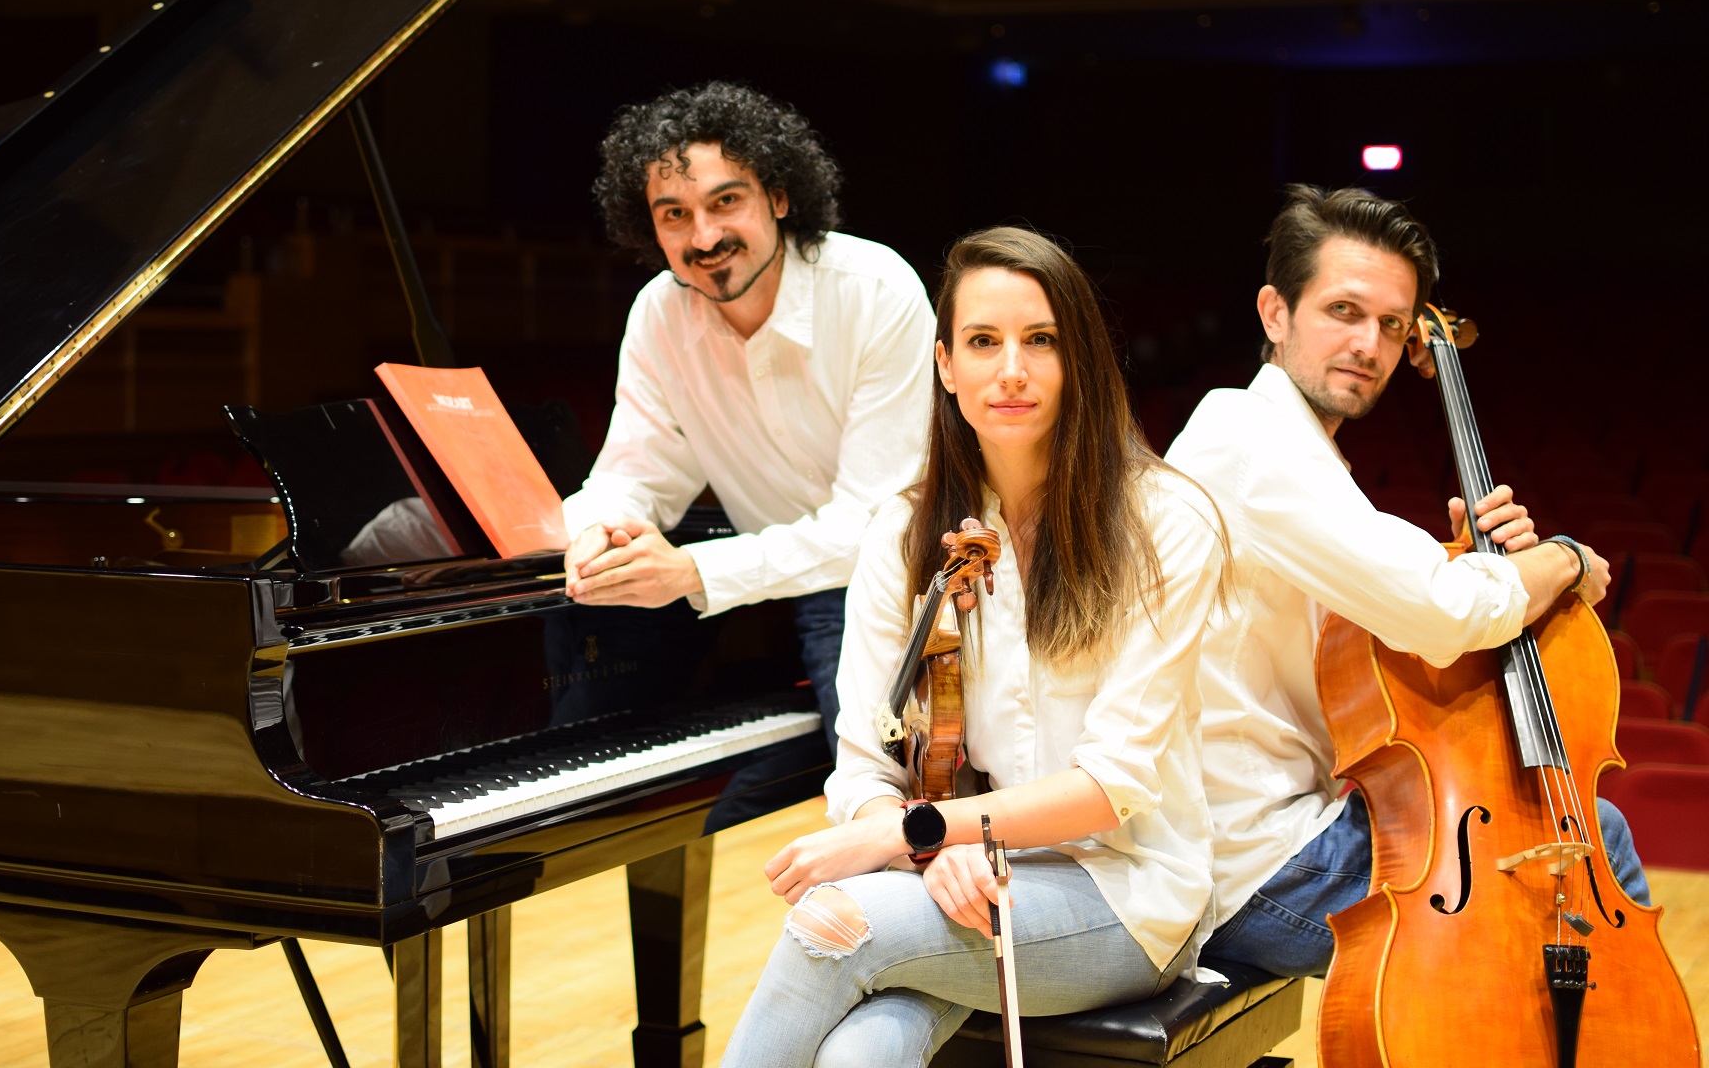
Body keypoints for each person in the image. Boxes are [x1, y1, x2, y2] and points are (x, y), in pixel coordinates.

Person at [720, 228, 1227, 1067]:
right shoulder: (904, 531)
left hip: (1127, 894)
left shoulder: (1166, 522)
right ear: (947, 365)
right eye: (984, 342)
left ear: (1080, 360)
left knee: (831, 923)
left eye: (1041, 341)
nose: (1011, 370)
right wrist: (929, 849)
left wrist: (919, 833)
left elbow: (1112, 785)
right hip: (960, 871)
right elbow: (865, 763)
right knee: (860, 1056)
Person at [1165, 184, 1648, 979]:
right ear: (1275, 313)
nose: (1370, 343)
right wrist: (1561, 559)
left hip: (1283, 836)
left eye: (1392, 324)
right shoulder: (1252, 444)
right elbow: (1442, 613)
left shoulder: (1291, 451)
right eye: (1343, 311)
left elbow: (1405, 625)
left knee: (1572, 842)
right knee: (1594, 838)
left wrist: (1477, 565)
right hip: (1254, 871)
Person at [559, 82, 935, 755]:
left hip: (895, 589)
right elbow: (635, 476)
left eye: (725, 201)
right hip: (760, 589)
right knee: (591, 724)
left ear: (779, 197)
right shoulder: (659, 314)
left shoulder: (876, 291)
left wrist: (695, 572)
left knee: (877, 787)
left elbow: (872, 529)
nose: (703, 237)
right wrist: (597, 532)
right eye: (675, 214)